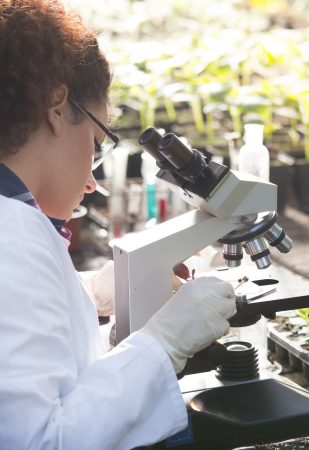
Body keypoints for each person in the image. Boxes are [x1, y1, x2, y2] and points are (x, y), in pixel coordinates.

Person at [0, 1, 236, 449]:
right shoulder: (11, 240)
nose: (91, 181)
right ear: (56, 108)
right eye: (95, 141)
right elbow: (39, 441)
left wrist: (91, 294)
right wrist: (164, 344)